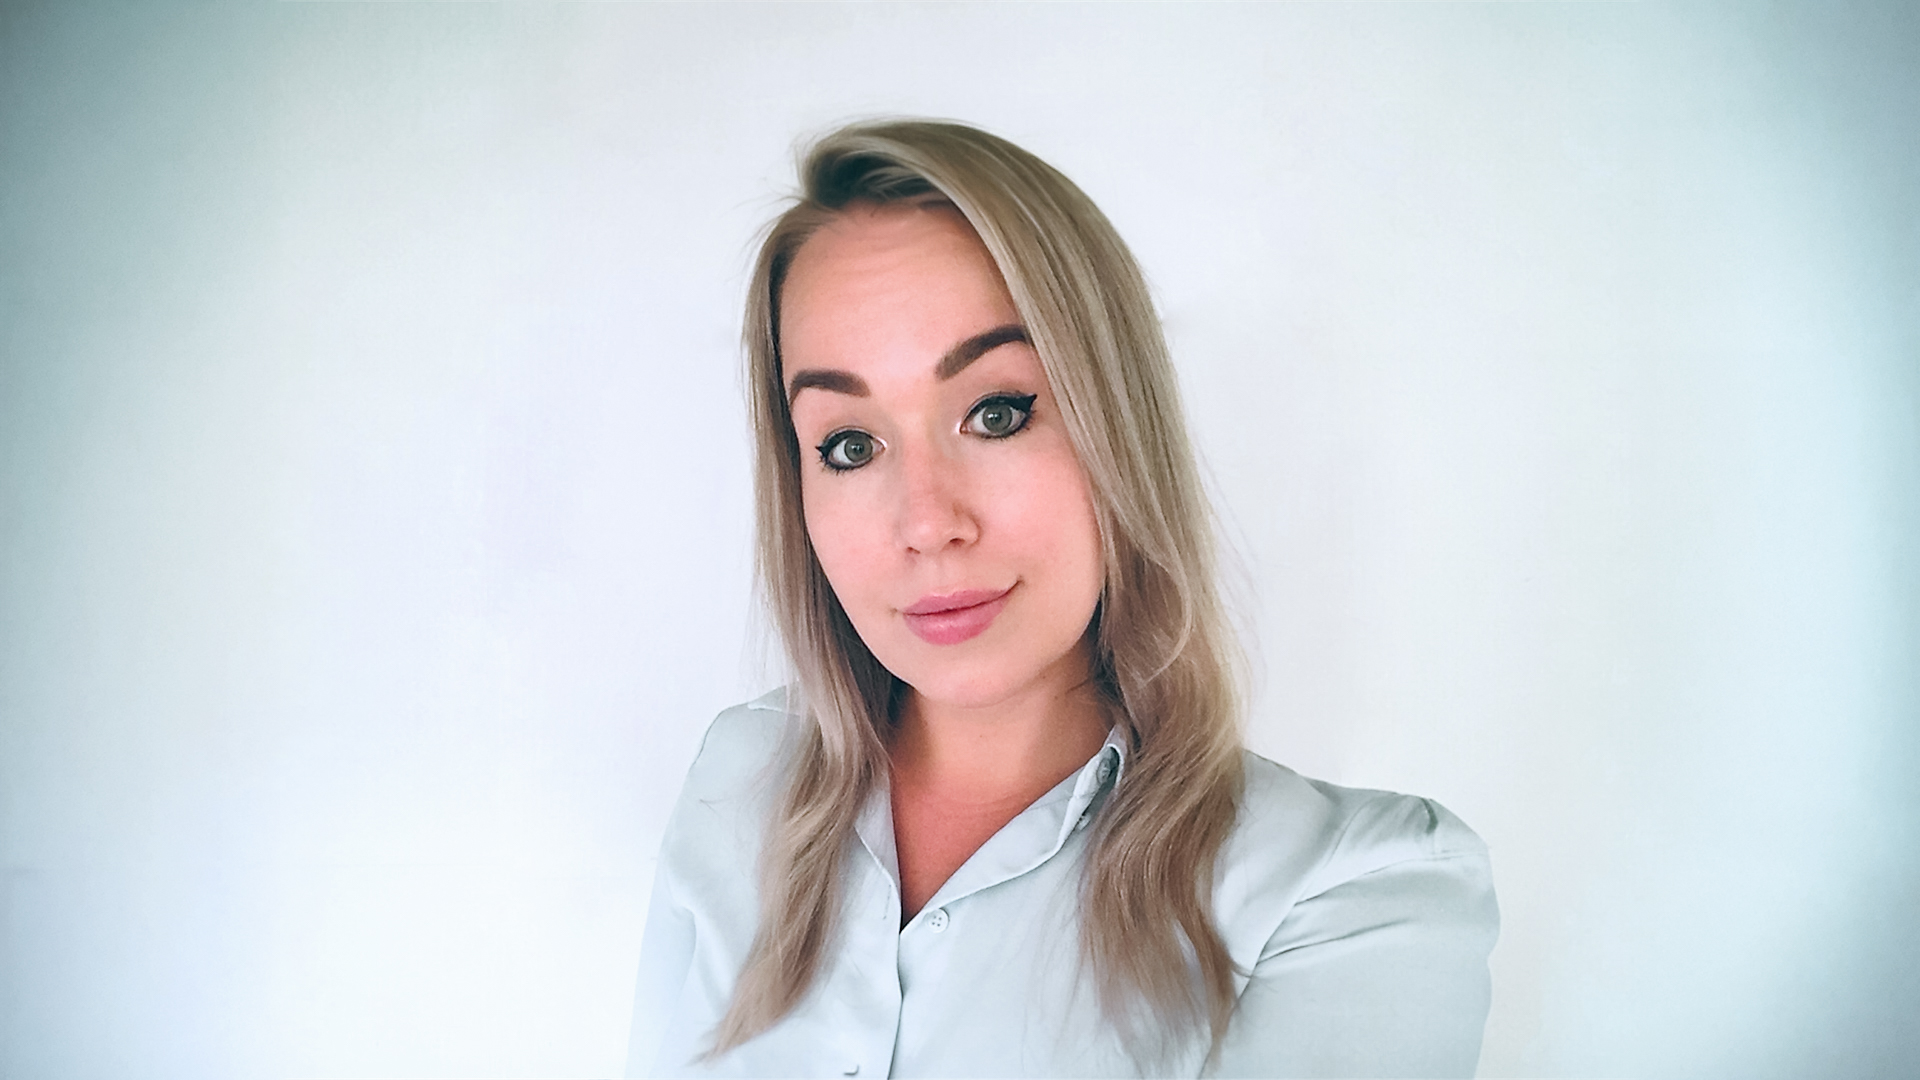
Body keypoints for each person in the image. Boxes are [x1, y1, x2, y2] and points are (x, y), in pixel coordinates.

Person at [625, 119, 1498, 1079]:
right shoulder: (739, 777)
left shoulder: (1355, 897)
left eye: (997, 413)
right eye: (850, 445)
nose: (927, 522)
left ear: (1116, 424)